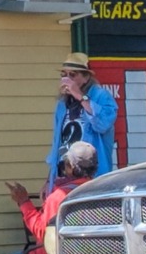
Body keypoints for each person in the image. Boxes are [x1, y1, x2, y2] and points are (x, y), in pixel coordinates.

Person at [46, 52, 115, 192]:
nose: (67, 79)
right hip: (63, 176)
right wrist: (49, 180)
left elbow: (102, 124)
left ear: (86, 77)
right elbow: (58, 144)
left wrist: (79, 95)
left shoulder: (101, 96)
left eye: (73, 74)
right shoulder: (62, 104)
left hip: (91, 178)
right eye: (64, 75)